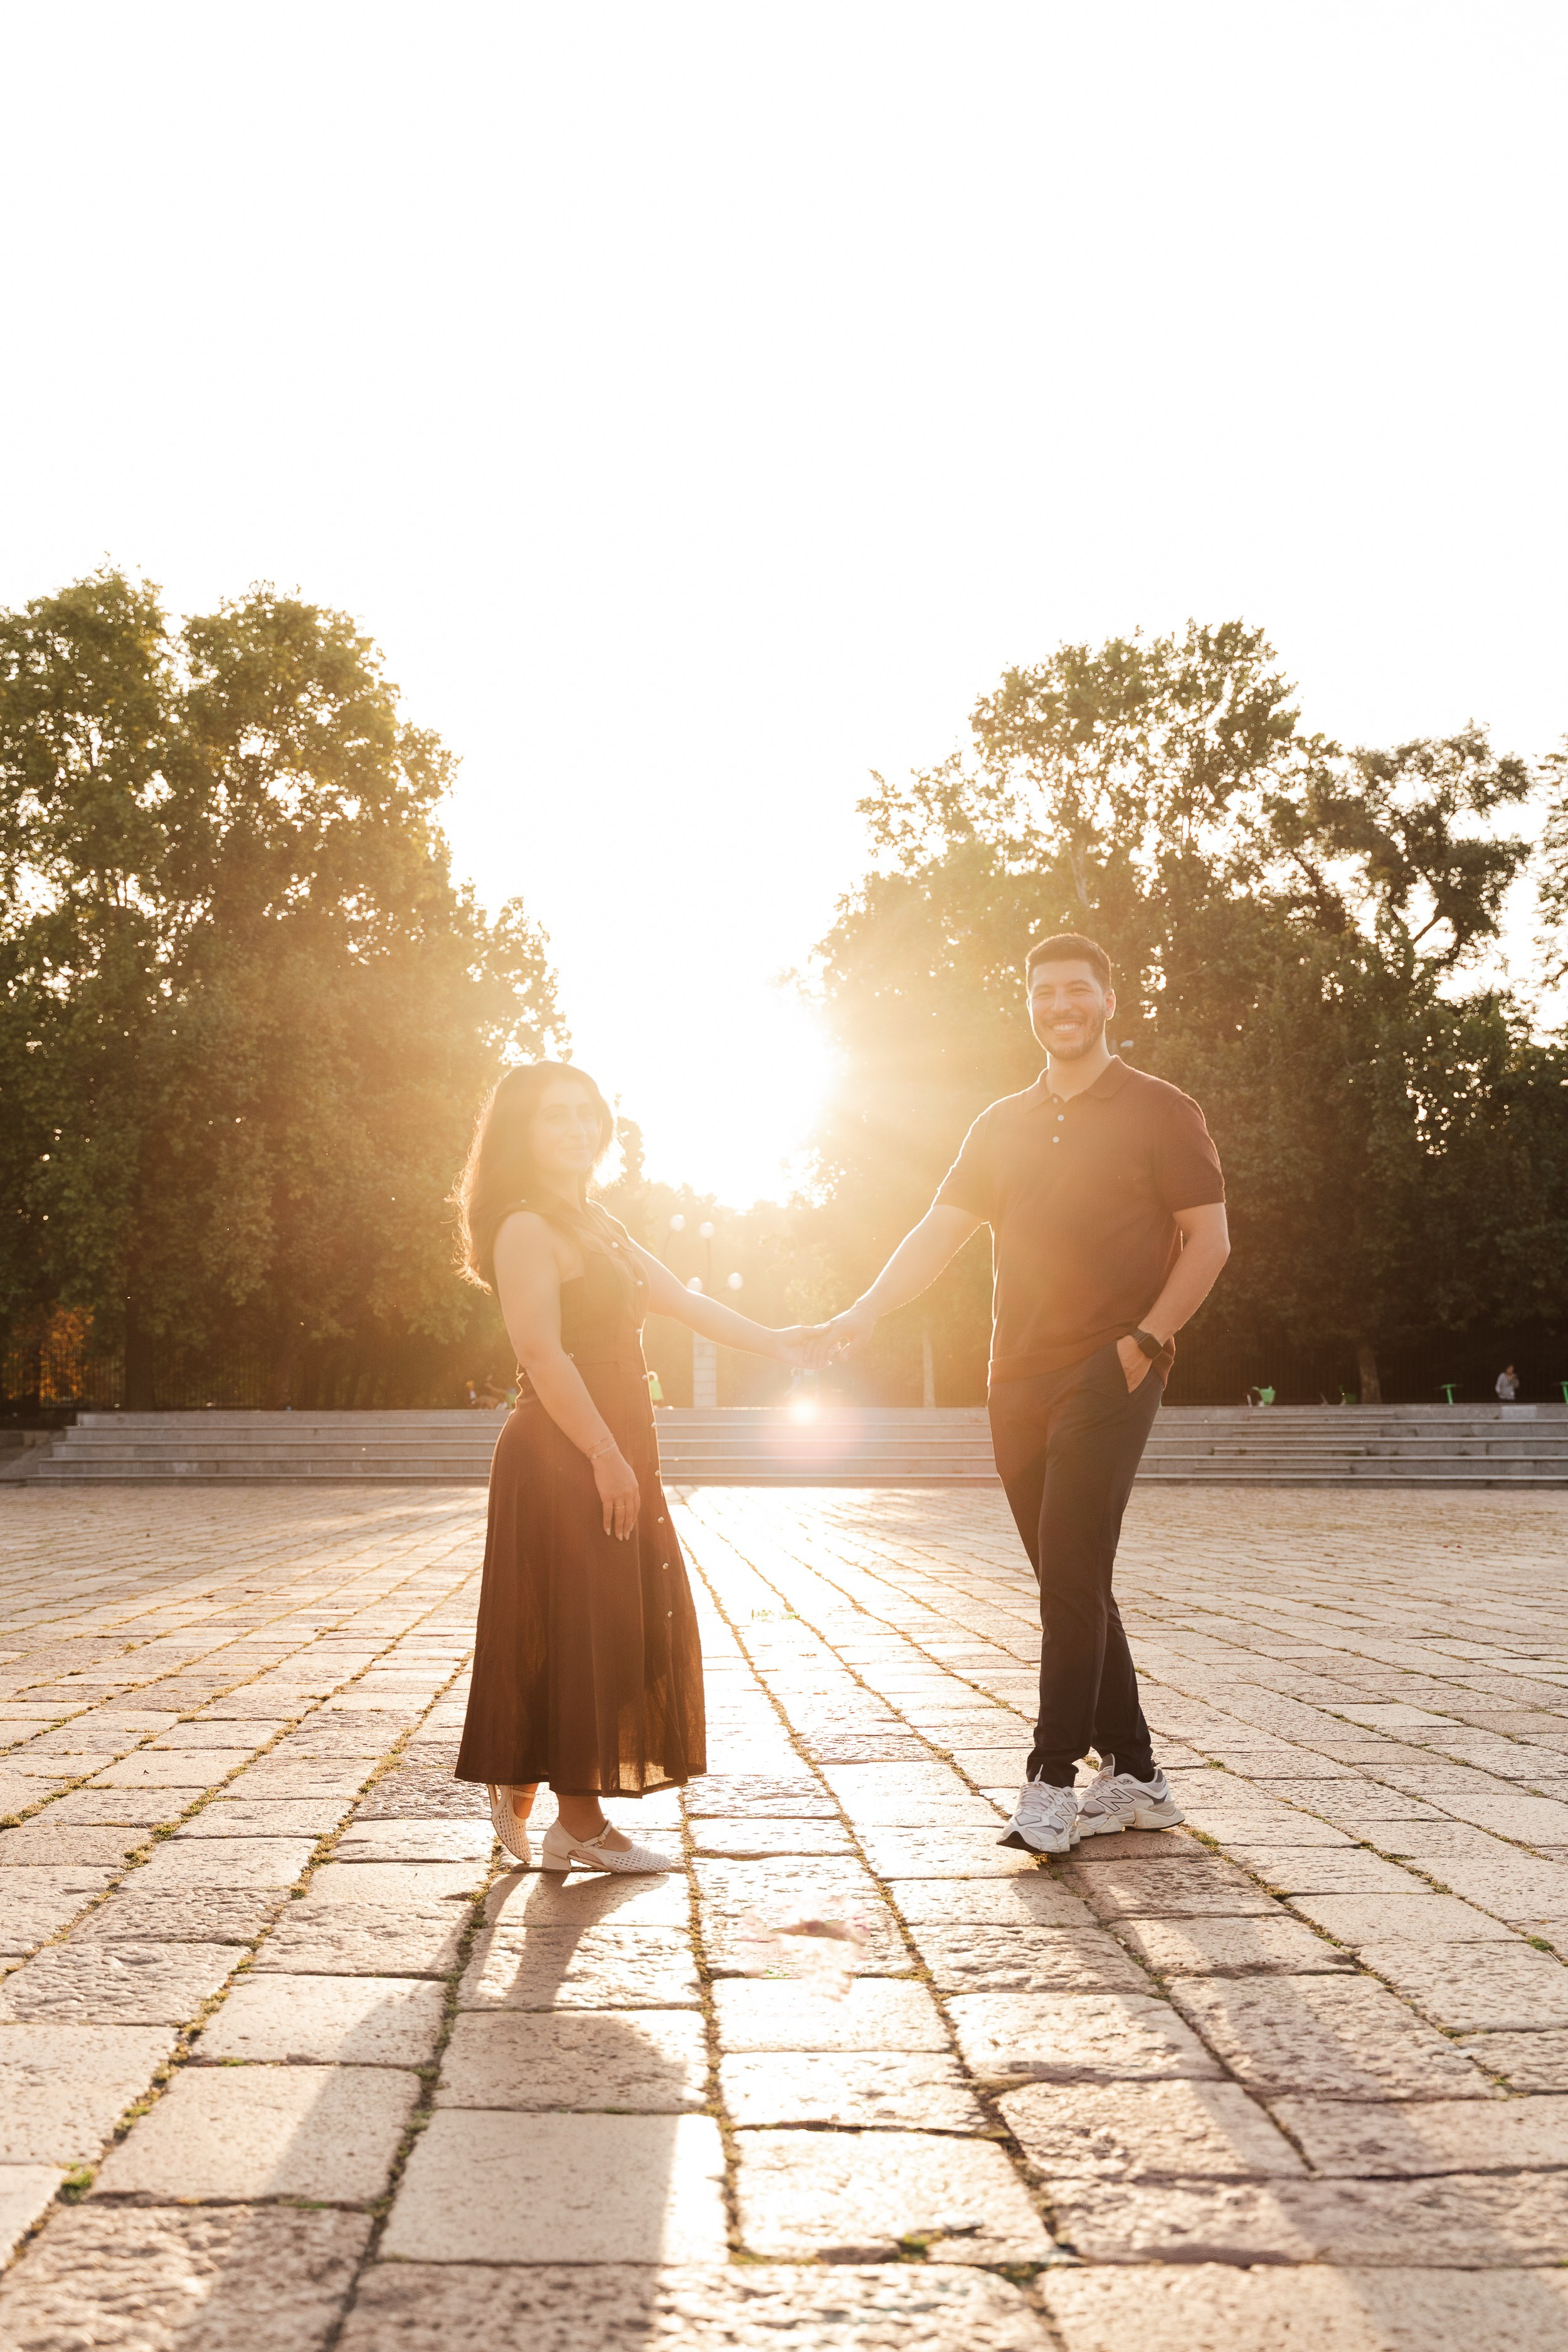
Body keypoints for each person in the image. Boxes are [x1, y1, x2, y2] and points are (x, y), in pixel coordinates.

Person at [812, 933, 1230, 1856]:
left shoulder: (1164, 1111)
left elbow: (1210, 1242)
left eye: (1077, 989)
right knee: (1069, 1576)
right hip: (1017, 1377)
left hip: (1110, 1370)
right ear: (1030, 1005)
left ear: (1108, 1001)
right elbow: (940, 1228)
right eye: (1043, 992)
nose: (1060, 1005)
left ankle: (1051, 1779)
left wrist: (1145, 1341)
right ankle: (1141, 1774)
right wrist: (868, 1306)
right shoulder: (998, 1123)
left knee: (1071, 1575)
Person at [452, 1061, 819, 1875]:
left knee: (613, 1624)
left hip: (610, 1445)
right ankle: (575, 1821)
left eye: (588, 1112)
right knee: (579, 1622)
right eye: (556, 1115)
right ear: (521, 1131)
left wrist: (781, 1338)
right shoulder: (524, 1228)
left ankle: (529, 1777)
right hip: (563, 1449)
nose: (579, 1127)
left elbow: (682, 1299)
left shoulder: (598, 1223)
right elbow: (541, 1351)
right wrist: (607, 1453)